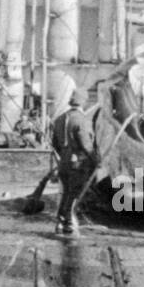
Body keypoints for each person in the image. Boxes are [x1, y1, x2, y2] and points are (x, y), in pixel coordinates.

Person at [50, 88, 96, 236]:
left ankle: (60, 222)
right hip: (78, 163)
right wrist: (95, 159)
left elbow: (55, 143)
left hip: (63, 162)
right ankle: (69, 222)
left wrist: (64, 154)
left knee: (67, 192)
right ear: (83, 102)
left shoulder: (59, 119)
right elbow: (86, 144)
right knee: (75, 193)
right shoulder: (82, 120)